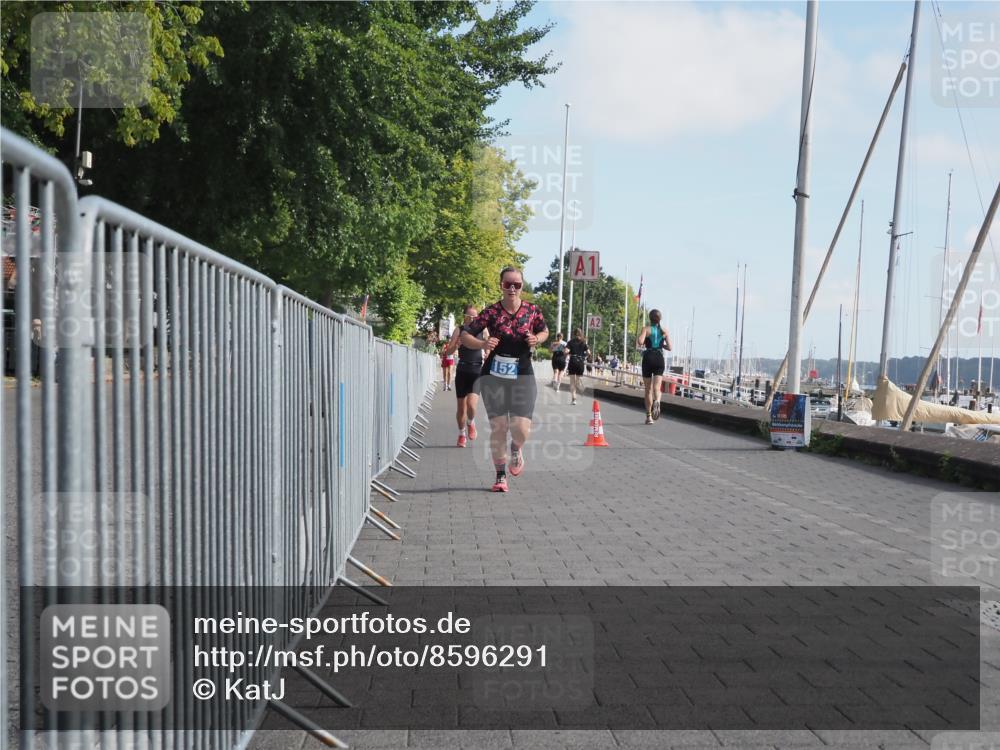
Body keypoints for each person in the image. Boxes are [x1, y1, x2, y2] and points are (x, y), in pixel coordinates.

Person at [461, 266, 548, 492]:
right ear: (501, 285)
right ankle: (500, 476)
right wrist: (482, 344)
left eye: (516, 285)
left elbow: (545, 331)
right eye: (507, 284)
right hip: (494, 374)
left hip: (522, 373)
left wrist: (536, 339)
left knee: (520, 428)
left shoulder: (532, 310)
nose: (512, 288)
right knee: (498, 426)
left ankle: (516, 448)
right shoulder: (491, 312)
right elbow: (465, 334)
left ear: (522, 287)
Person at [444, 304, 486, 447]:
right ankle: (461, 434)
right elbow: (448, 352)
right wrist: (456, 346)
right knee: (461, 408)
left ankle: (471, 422)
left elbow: (490, 346)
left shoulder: (482, 330)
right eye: (470, 316)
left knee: (471, 406)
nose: (473, 319)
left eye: (475, 317)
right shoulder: (459, 330)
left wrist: (489, 354)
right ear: (465, 317)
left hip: (477, 370)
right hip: (462, 370)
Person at [637, 308, 672, 424]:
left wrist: (642, 335)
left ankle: (649, 417)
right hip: (659, 358)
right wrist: (662, 345)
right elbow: (670, 347)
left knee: (648, 389)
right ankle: (657, 401)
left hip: (648, 358)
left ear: (650, 318)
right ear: (660, 319)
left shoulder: (646, 329)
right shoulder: (664, 331)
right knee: (657, 388)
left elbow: (641, 342)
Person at [565, 329, 589, 406]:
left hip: (573, 361)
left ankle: (574, 399)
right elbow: (589, 352)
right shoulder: (583, 342)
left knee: (572, 382)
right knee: (577, 381)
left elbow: (566, 351)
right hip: (580, 362)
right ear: (581, 334)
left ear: (574, 334)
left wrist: (567, 354)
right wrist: (584, 357)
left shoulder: (570, 342)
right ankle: (580, 387)